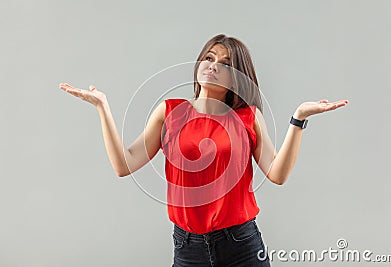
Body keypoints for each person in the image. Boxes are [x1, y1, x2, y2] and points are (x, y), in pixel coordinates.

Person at [59, 34, 348, 266]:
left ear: (235, 77)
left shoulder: (247, 117)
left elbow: (277, 173)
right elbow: (124, 164)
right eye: (209, 58)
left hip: (241, 245)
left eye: (224, 63)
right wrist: (102, 107)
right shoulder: (170, 112)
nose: (213, 65)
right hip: (188, 247)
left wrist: (298, 118)